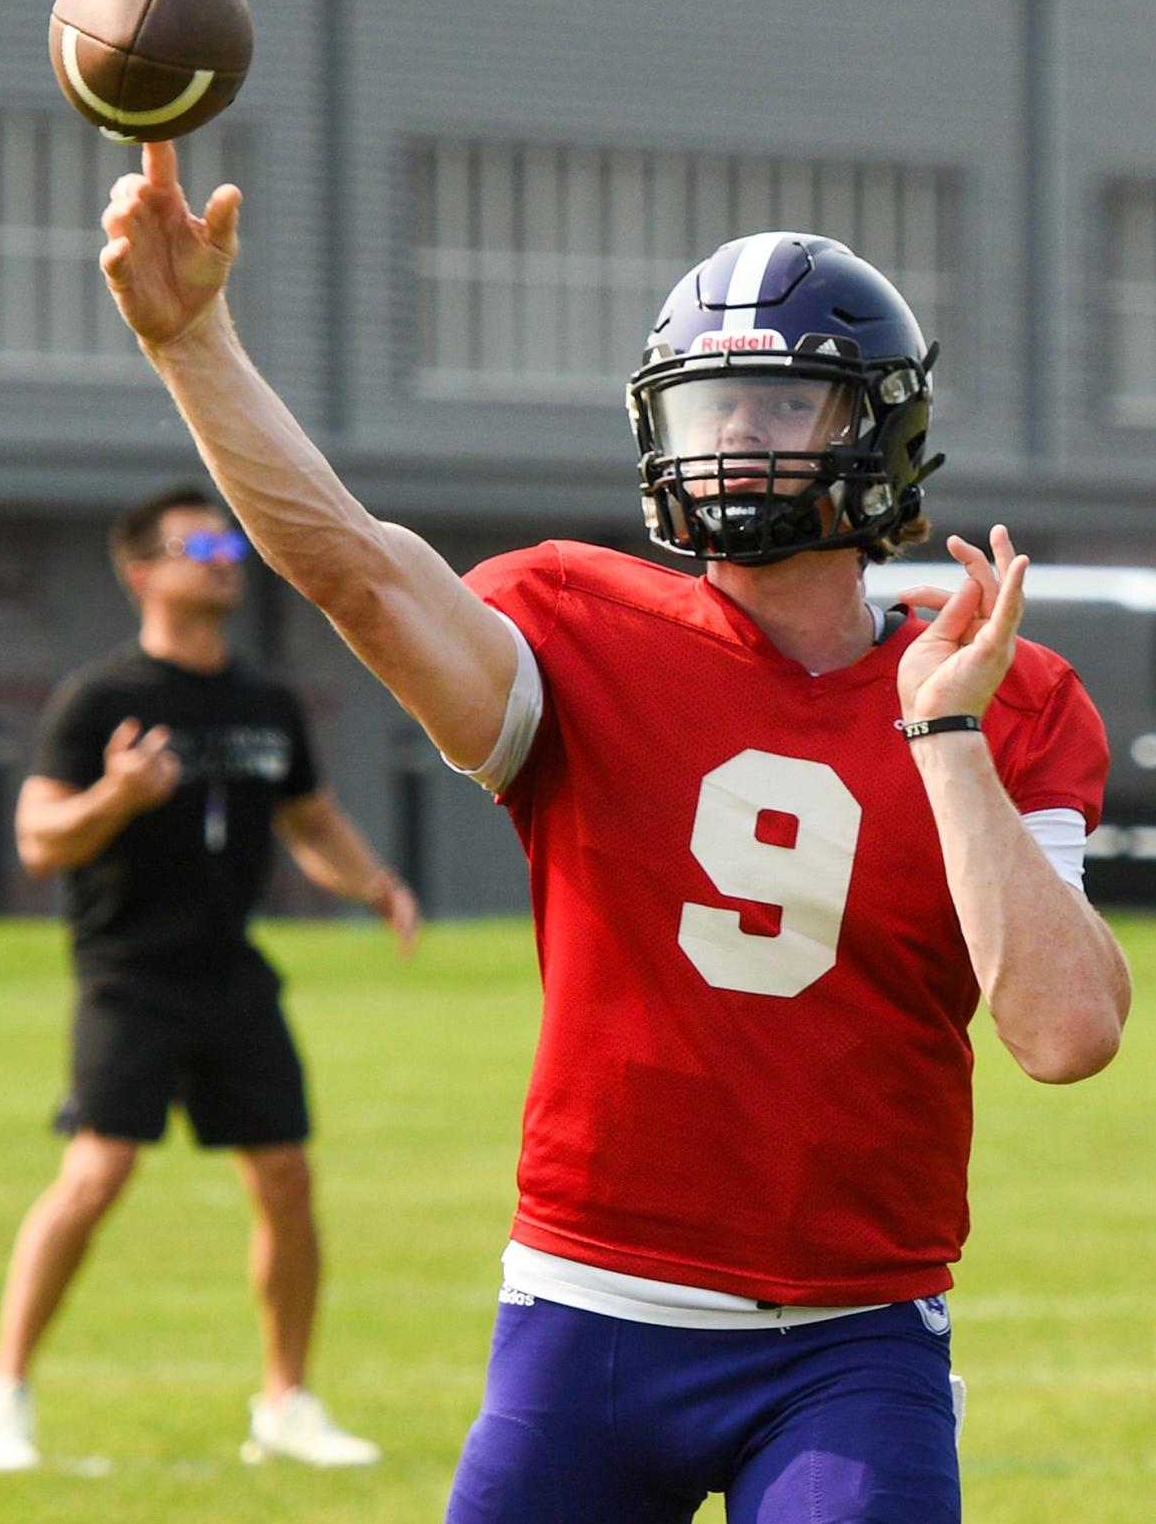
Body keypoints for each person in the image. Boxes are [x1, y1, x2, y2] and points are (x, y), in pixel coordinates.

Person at [89, 150, 1130, 1523]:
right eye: (706, 406)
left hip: (849, 1332)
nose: (730, 441)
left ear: (875, 432)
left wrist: (940, 735)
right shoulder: (577, 629)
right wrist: (193, 344)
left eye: (777, 402)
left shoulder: (1005, 692)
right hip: (587, 1316)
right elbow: (348, 564)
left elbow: (1064, 1036)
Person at [0, 482, 420, 1474]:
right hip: (130, 974)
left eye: (228, 541)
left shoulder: (266, 700)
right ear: (142, 571)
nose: (222, 556)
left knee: (287, 1180)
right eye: (198, 541)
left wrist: (374, 884)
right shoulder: (102, 699)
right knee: (97, 1173)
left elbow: (310, 819)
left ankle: (286, 1405)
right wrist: (116, 798)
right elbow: (38, 839)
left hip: (233, 972)